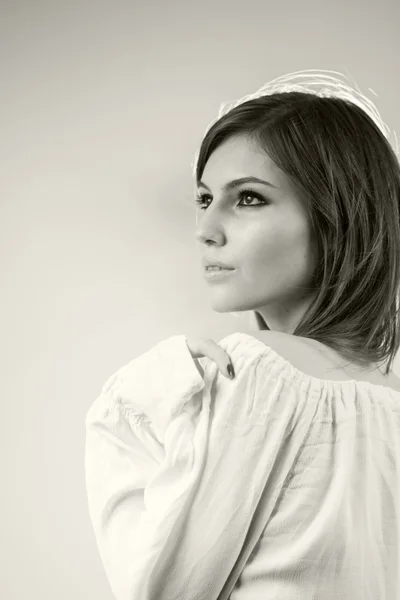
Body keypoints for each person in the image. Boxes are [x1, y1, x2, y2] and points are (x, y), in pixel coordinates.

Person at [85, 70, 400, 599]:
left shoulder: (256, 373)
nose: (206, 230)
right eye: (205, 199)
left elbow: (160, 588)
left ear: (337, 216)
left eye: (249, 198)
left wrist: (145, 385)